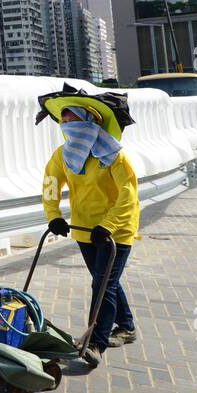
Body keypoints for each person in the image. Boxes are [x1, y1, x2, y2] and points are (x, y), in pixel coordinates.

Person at [41, 104, 140, 370]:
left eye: (70, 114)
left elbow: (128, 195)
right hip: (85, 229)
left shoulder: (114, 156)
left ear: (88, 119)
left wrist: (108, 225)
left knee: (102, 284)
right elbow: (50, 185)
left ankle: (95, 343)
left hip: (115, 231)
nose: (64, 120)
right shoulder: (63, 155)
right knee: (106, 280)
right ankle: (127, 327)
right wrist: (54, 217)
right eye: (62, 117)